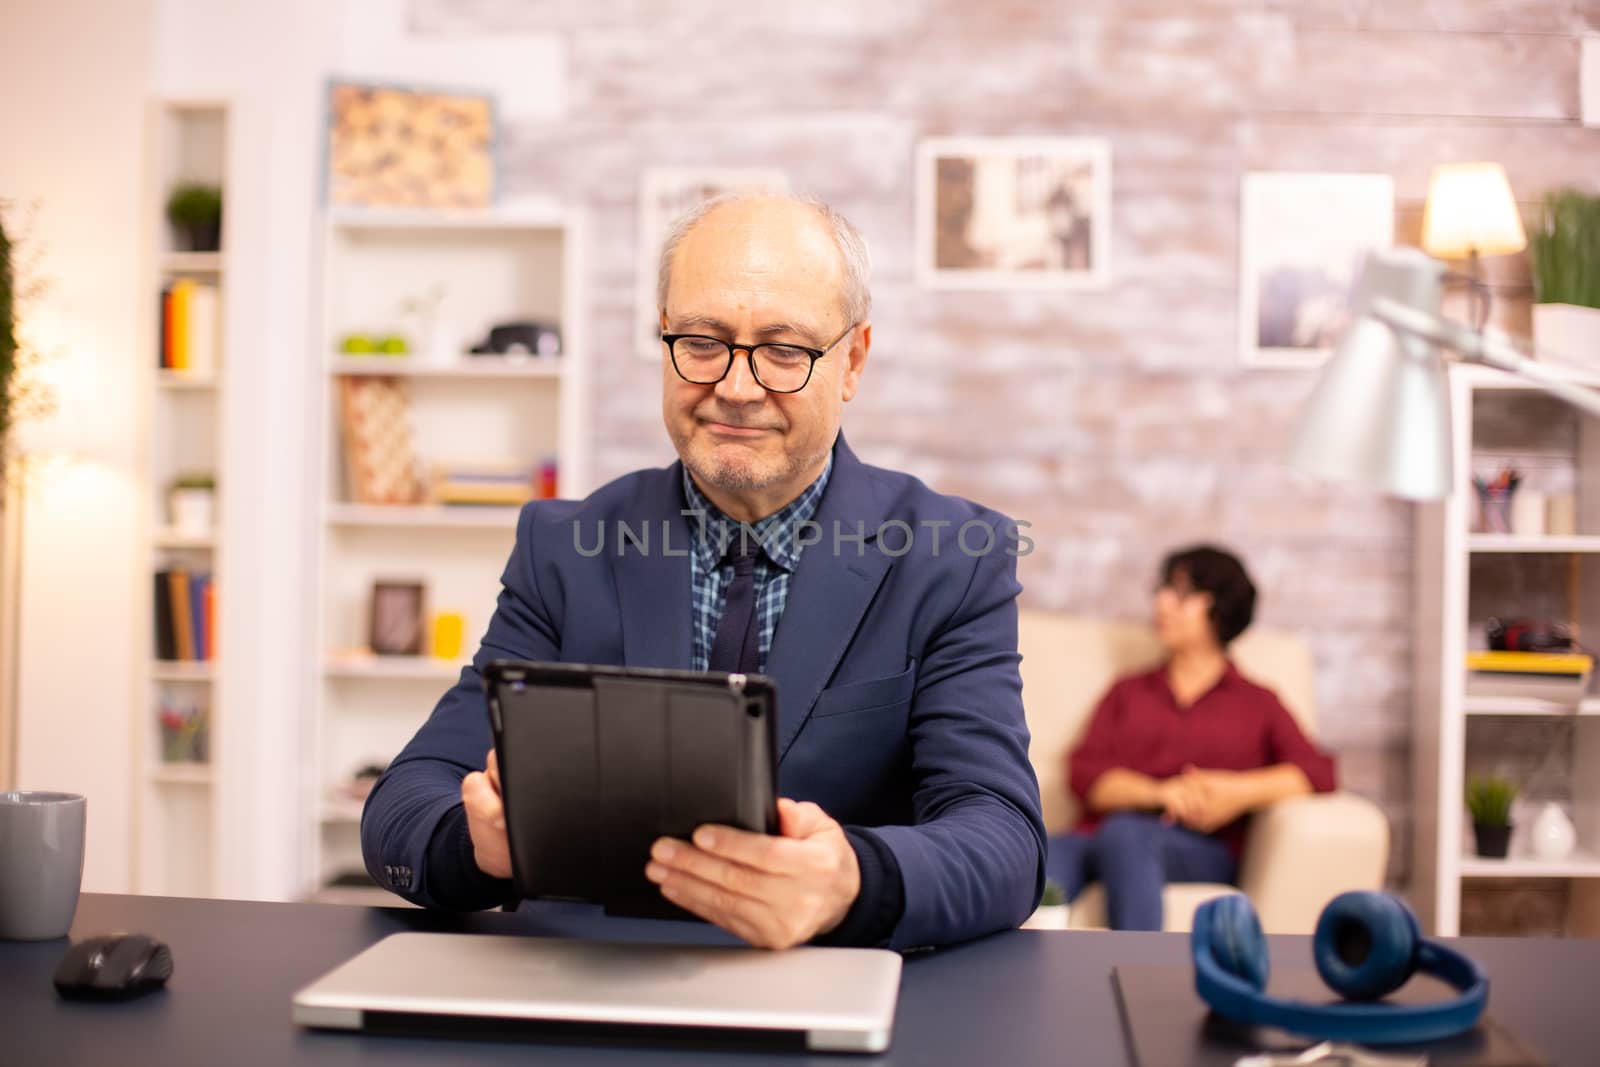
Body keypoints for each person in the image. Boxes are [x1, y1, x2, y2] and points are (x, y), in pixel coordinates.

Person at [361, 193, 1046, 951]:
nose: (736, 387)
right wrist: (480, 846)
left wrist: (852, 879)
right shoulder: (564, 546)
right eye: (702, 340)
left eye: (784, 350)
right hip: (588, 987)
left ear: (851, 360)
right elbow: (403, 805)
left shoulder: (953, 556)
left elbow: (1004, 838)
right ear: (663, 336)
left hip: (830, 989)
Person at [1044, 545, 1336, 931]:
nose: (1162, 603)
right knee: (1036, 856)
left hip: (1198, 849)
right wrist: (1161, 793)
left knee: (1127, 834)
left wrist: (1237, 792)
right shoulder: (1128, 691)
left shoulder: (1258, 702)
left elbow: (1317, 773)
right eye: (1163, 590)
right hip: (1098, 839)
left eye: (1181, 594)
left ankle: (1140, 977)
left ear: (1221, 609)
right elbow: (1085, 775)